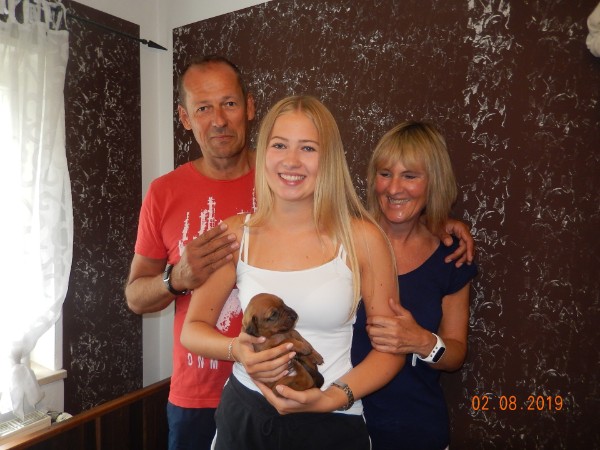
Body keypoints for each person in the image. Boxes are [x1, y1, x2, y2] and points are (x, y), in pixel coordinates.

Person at [181, 95, 405, 450]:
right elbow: (192, 330)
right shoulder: (236, 235)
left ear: (328, 158)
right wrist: (238, 350)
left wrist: (331, 398)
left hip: (331, 419)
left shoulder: (363, 239)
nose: (291, 160)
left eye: (308, 148)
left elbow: (392, 349)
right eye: (279, 145)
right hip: (245, 418)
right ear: (264, 153)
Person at [124, 55, 259, 450]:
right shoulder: (163, 193)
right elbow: (135, 296)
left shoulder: (285, 181)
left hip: (274, 390)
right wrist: (177, 278)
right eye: (203, 108)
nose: (218, 120)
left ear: (249, 107)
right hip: (196, 398)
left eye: (229, 103)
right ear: (185, 117)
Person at [351, 121, 479, 450]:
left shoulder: (451, 256)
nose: (394, 188)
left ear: (434, 182)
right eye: (385, 173)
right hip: (341, 425)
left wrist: (422, 341)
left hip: (416, 431)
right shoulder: (344, 241)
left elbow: (456, 353)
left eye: (410, 176)